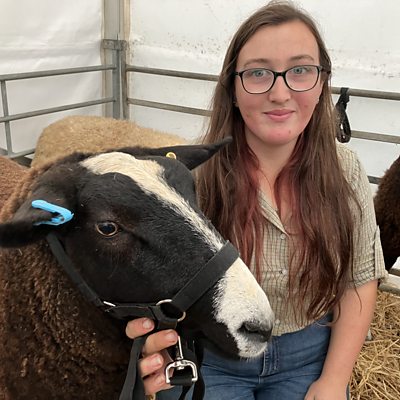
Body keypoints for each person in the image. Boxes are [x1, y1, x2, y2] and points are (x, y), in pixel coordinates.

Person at [126, 1, 388, 399]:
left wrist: (335, 380)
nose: (280, 93)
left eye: (300, 70)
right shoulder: (192, 176)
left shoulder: (345, 171)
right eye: (258, 73)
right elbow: (148, 284)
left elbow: (359, 279)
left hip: (309, 355)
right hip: (211, 355)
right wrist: (145, 342)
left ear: (322, 83)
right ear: (232, 88)